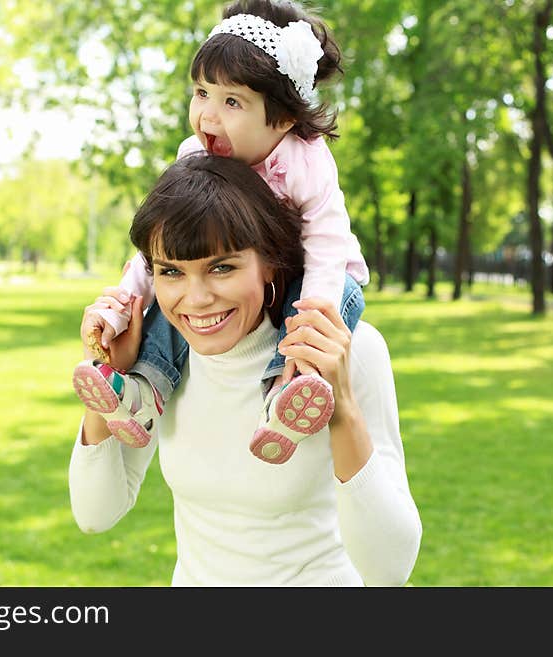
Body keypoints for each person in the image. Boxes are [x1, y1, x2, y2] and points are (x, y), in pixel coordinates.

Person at [69, 153, 421, 586]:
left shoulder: (349, 349)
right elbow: (94, 513)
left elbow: (390, 570)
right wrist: (110, 372)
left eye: (222, 267)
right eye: (172, 272)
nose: (195, 300)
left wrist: (342, 408)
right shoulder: (164, 362)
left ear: (269, 261)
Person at [73, 0, 370, 465]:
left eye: (232, 101)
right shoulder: (195, 155)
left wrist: (313, 318)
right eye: (201, 93)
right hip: (229, 277)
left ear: (284, 117)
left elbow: (327, 246)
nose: (208, 116)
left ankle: (286, 393)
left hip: (311, 273)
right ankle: (143, 392)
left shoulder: (305, 161)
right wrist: (119, 304)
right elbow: (161, 251)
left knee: (338, 299)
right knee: (187, 288)